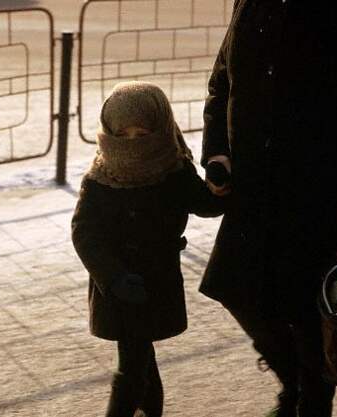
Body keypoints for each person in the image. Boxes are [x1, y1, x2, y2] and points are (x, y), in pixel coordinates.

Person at [200, 0, 337, 416]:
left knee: (310, 310)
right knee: (237, 289)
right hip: (255, 183)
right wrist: (217, 152)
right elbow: (222, 80)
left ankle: (312, 401)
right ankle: (293, 382)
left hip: (324, 183)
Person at [71, 82, 225, 417]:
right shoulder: (100, 177)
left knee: (140, 358)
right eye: (123, 135)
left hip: (157, 280)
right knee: (134, 361)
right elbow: (84, 233)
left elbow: (205, 204)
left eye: (142, 135)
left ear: (159, 130)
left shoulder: (173, 170)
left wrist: (222, 183)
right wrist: (112, 277)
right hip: (118, 286)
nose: (132, 144)